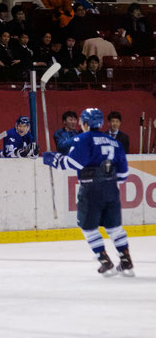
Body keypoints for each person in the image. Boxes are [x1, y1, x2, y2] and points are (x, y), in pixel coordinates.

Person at [42, 108, 133, 276]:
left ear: (84, 123)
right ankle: (126, 260)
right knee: (114, 227)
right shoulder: (115, 142)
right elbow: (123, 174)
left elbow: (74, 163)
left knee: (88, 227)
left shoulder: (82, 138)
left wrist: (53, 159)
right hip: (112, 190)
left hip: (91, 189)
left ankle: (104, 259)